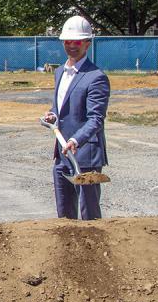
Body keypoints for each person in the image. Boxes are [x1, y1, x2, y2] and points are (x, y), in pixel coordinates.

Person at [43, 15, 110, 220]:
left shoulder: (96, 77)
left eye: (77, 42)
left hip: (85, 154)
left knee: (89, 213)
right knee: (64, 214)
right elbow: (61, 107)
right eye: (68, 42)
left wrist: (75, 140)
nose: (72, 46)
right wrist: (52, 115)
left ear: (87, 44)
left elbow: (96, 119)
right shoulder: (60, 72)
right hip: (62, 153)